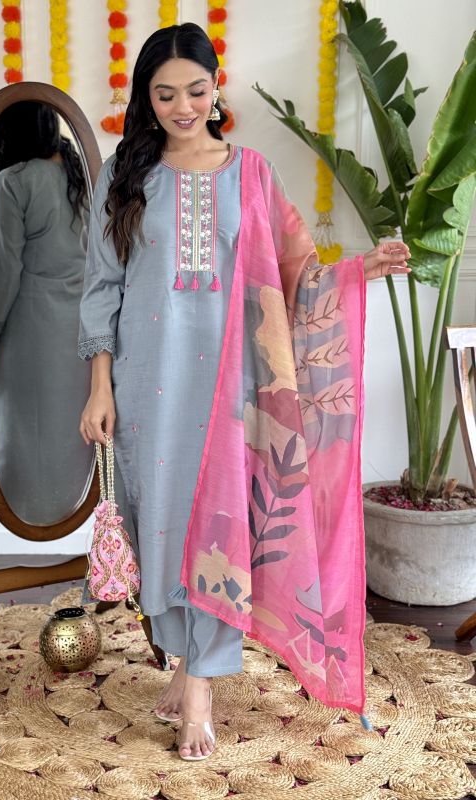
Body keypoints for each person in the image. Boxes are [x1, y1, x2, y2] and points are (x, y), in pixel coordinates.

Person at [78, 23, 410, 761]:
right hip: (146, 381)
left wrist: (360, 270)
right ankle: (183, 655)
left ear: (216, 87)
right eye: (165, 95)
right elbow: (101, 285)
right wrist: (99, 386)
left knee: (225, 526)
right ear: (145, 98)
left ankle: (200, 686)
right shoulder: (125, 174)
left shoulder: (251, 172)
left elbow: (297, 270)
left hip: (234, 383)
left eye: (195, 91)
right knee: (160, 525)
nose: (182, 107)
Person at [0, 101, 93, 525]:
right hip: (85, 329)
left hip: (31, 329)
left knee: (30, 432)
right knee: (73, 431)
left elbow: (3, 270)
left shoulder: (12, 182)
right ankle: (72, 515)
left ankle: (32, 517)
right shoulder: (82, 177)